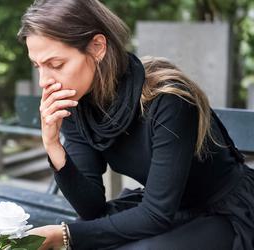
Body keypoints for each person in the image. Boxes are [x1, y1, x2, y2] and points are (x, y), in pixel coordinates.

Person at [17, 0, 254, 249]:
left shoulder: (167, 99)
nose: (44, 81)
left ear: (97, 47)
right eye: (38, 66)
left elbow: (156, 214)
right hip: (166, 209)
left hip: (224, 210)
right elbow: (92, 209)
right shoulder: (77, 105)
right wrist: (53, 145)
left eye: (56, 65)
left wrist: (64, 235)